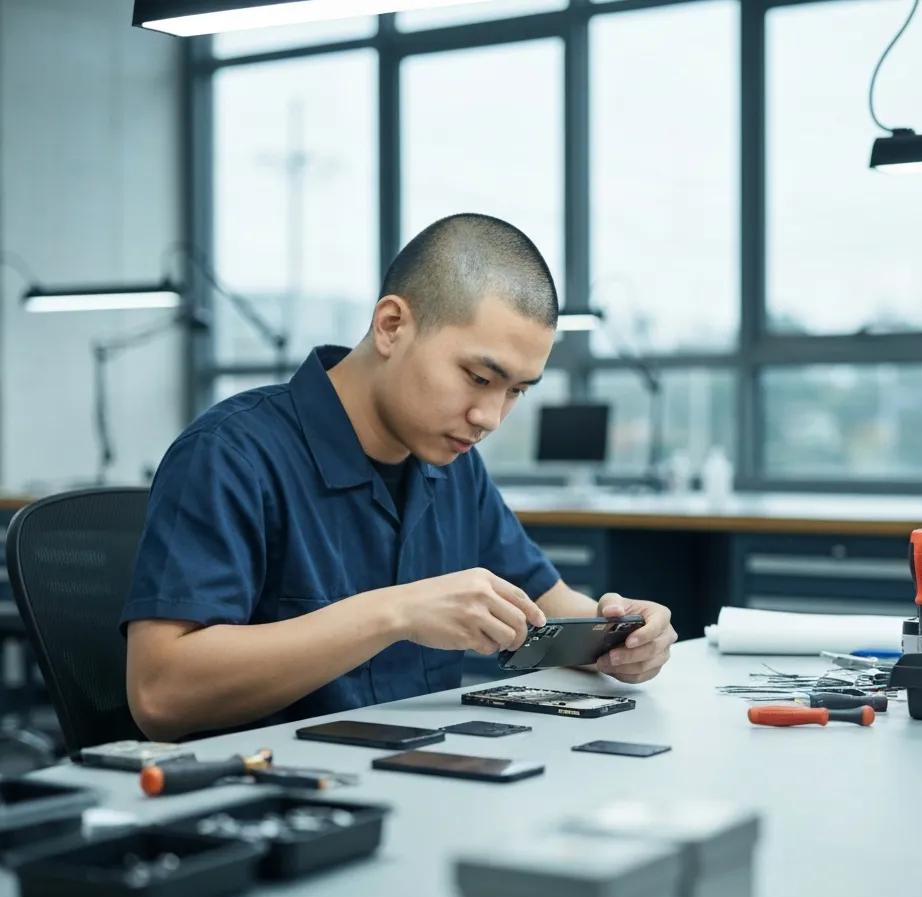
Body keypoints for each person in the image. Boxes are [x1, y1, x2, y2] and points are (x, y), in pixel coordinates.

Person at [122, 213, 676, 741]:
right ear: (391, 326)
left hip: (420, 769)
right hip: (274, 798)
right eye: (479, 377)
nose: (490, 417)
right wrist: (397, 613)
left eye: (515, 392)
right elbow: (160, 696)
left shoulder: (454, 470)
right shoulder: (231, 455)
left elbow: (548, 609)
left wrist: (623, 633)